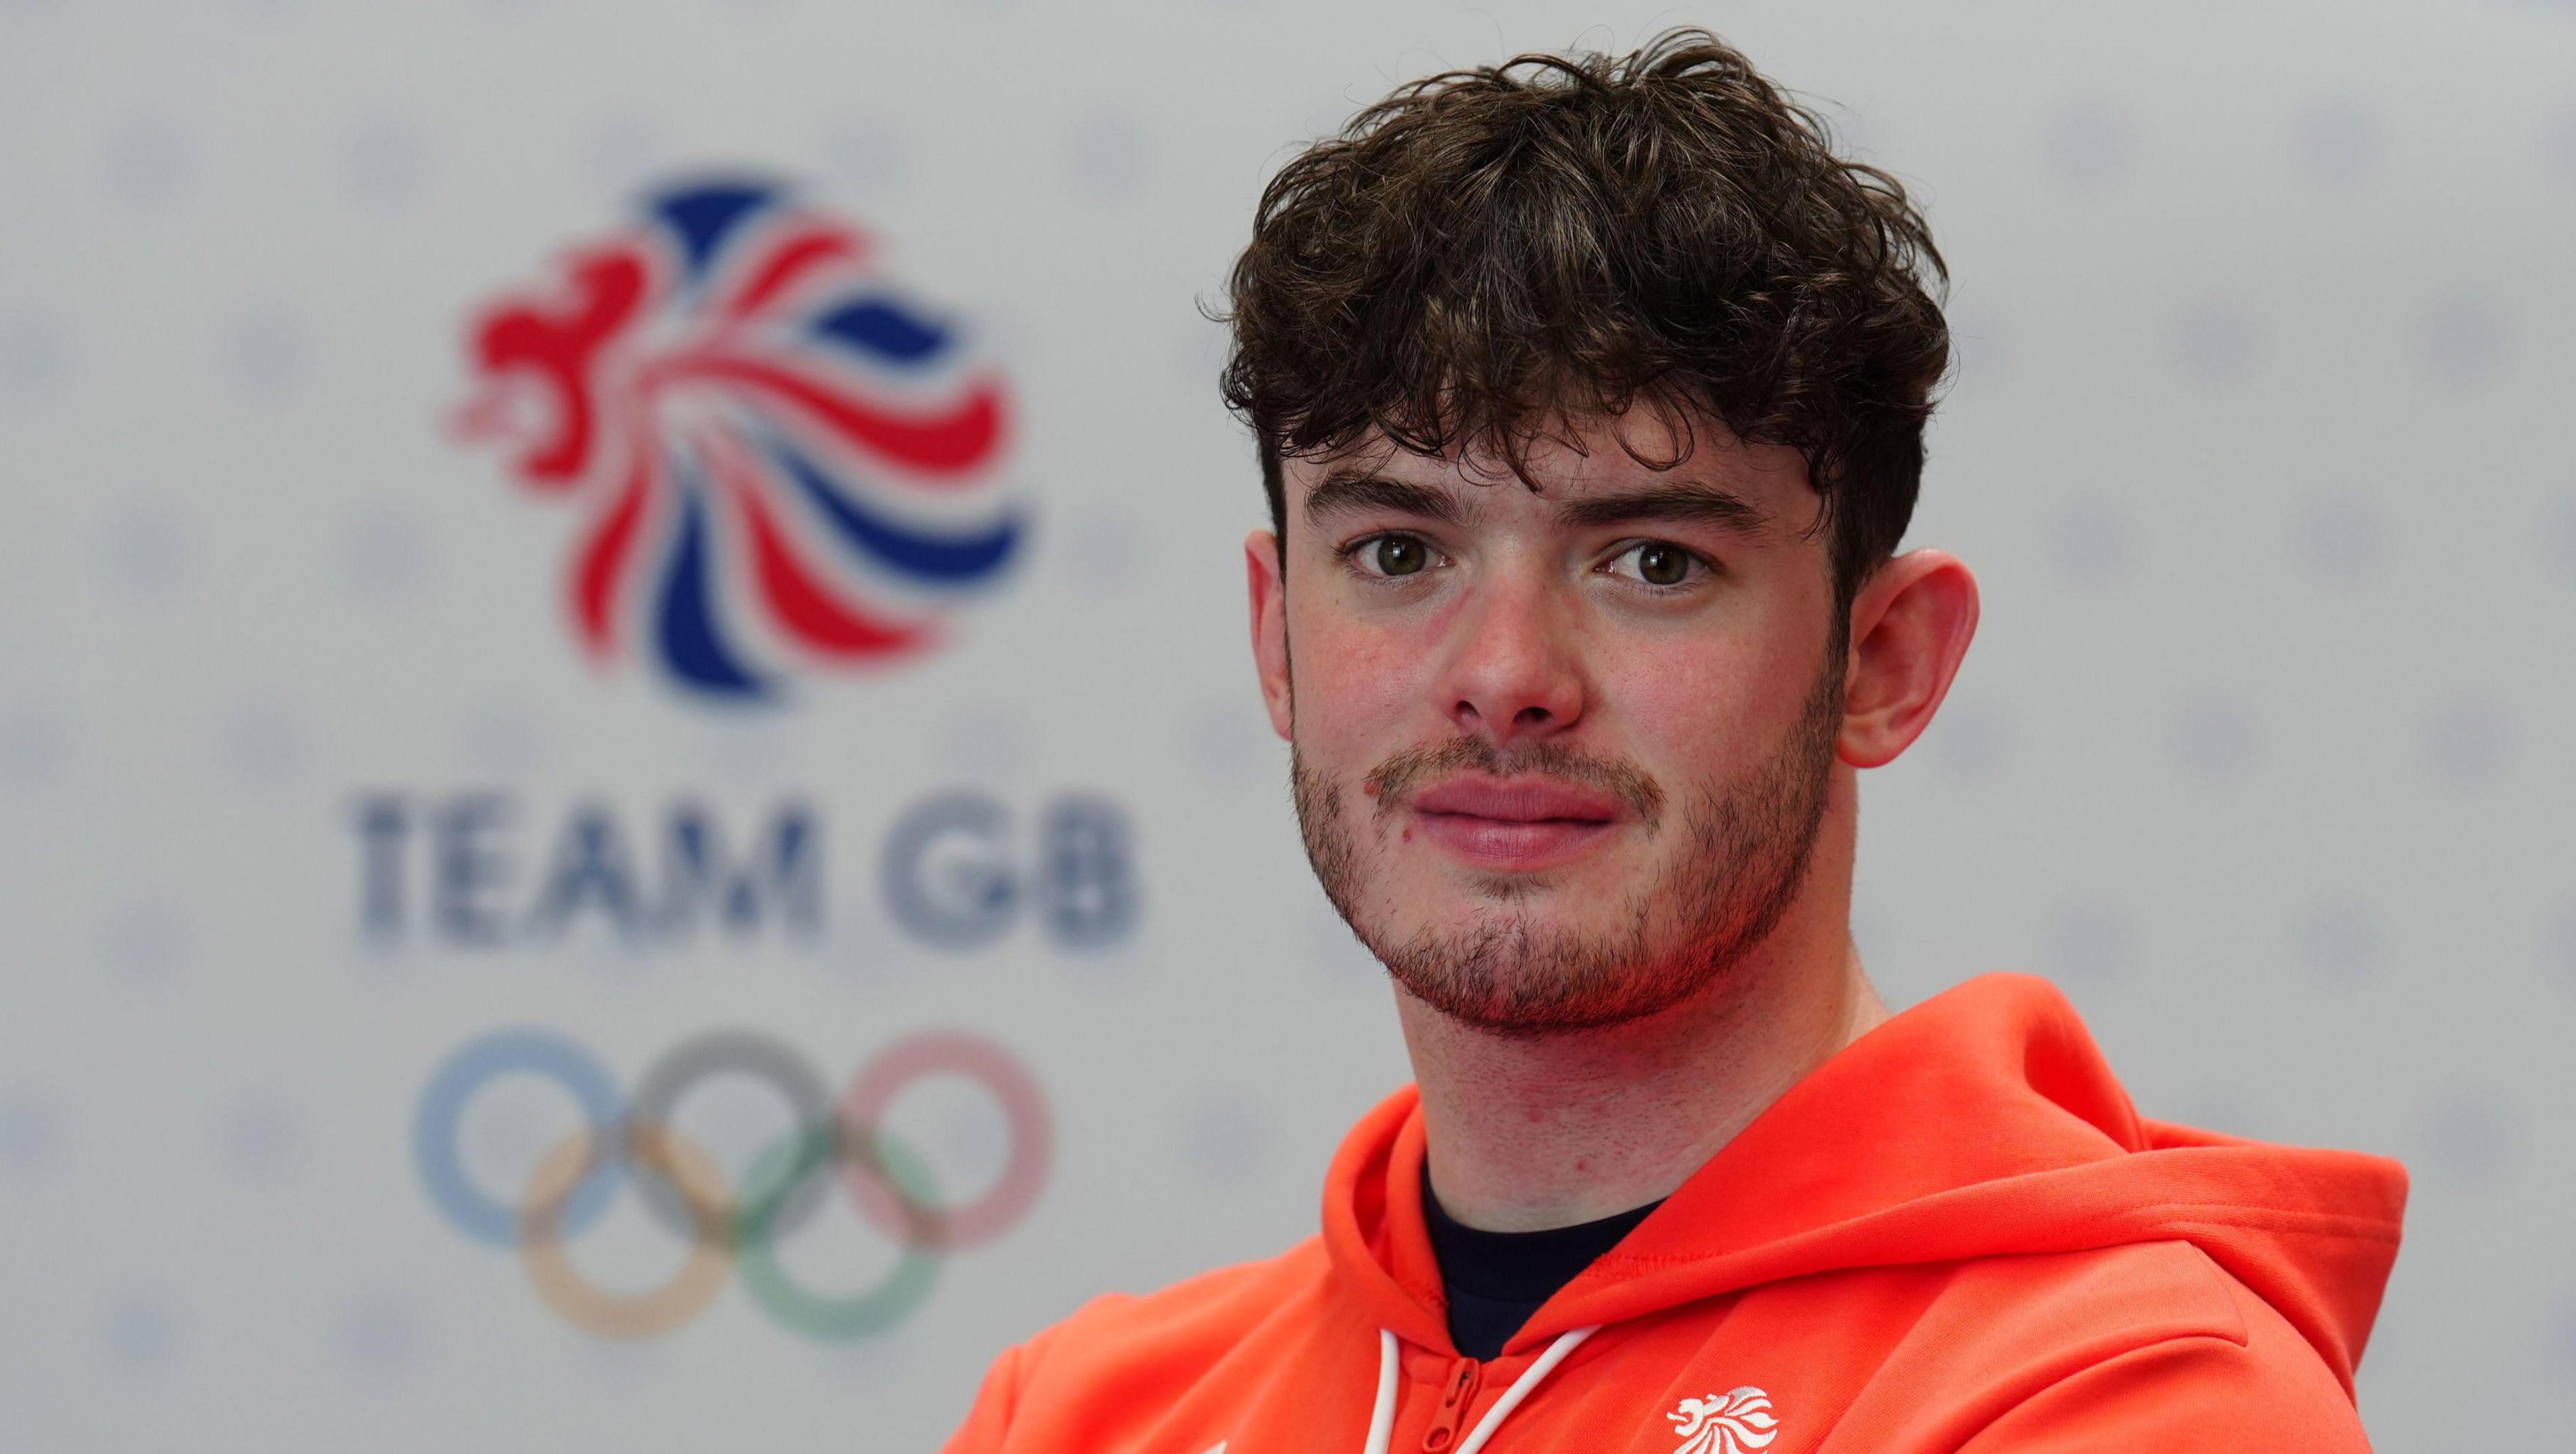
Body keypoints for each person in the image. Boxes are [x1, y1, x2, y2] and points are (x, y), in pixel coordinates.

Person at [941, 28, 2404, 1453]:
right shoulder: (1084, 1416)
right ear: (1277, 640)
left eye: (1651, 561)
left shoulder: (2130, 1403)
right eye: (1399, 553)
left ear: (1880, 665)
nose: (1506, 677)